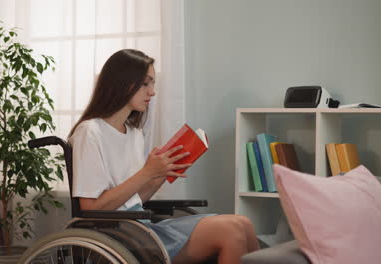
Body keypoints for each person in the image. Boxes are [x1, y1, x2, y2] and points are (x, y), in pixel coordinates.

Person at [68, 49, 260, 264]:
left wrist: (162, 173)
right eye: (145, 84)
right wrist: (147, 173)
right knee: (232, 231)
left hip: (140, 227)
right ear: (123, 82)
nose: (152, 92)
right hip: (118, 235)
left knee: (244, 224)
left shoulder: (134, 134)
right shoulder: (90, 132)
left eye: (153, 84)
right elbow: (92, 209)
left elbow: (135, 199)